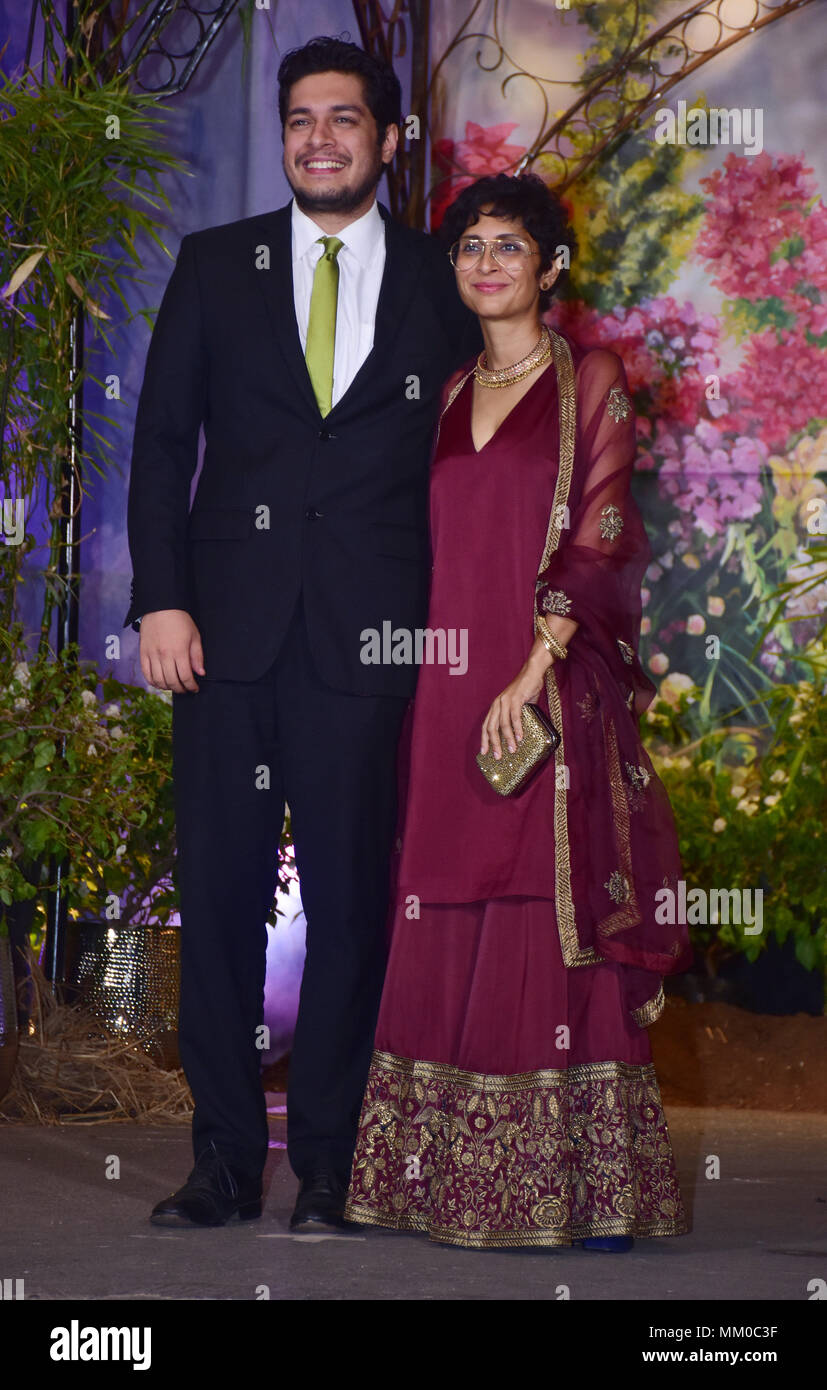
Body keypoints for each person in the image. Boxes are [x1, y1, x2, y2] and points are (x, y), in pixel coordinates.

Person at [123, 36, 481, 1230]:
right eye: (298, 119)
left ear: (387, 140)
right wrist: (159, 599)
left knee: (352, 906)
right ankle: (223, 1158)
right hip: (221, 638)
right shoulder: (218, 264)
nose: (317, 136)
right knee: (217, 901)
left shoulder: (443, 281)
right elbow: (164, 442)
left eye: (343, 117)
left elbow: (481, 458)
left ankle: (331, 1161)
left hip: (370, 647)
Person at [344, 173, 693, 1250]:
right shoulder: (444, 394)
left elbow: (602, 536)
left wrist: (534, 664)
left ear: (550, 268)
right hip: (446, 683)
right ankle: (435, 1181)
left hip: (542, 686)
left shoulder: (588, 378)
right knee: (441, 893)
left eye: (509, 246)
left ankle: (576, 1194)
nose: (486, 263)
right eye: (469, 247)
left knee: (543, 901)